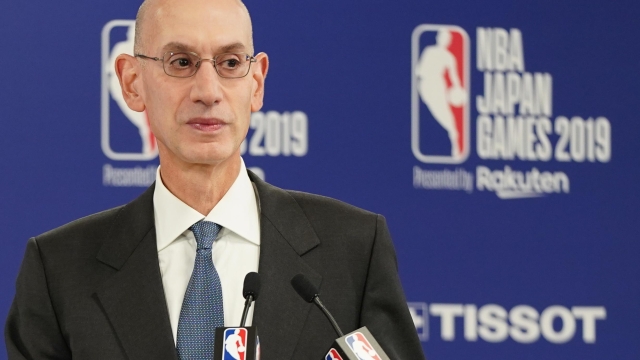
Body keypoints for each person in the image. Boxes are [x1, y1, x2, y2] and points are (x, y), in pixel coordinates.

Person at [4, 0, 426, 359]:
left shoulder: (353, 248)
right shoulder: (58, 269)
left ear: (256, 83)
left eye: (229, 63)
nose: (208, 90)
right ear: (132, 82)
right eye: (182, 62)